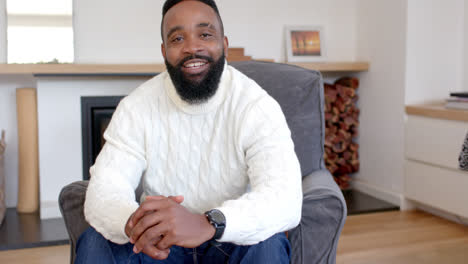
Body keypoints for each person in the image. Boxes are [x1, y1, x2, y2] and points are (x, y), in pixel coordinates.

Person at [75, 0, 302, 263]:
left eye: (205, 34)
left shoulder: (256, 107)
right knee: (96, 240)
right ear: (164, 51)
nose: (192, 47)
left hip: (229, 242)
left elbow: (284, 198)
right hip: (160, 244)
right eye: (177, 38)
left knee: (268, 242)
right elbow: (104, 189)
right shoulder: (135, 108)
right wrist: (137, 224)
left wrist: (208, 223)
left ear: (224, 44)